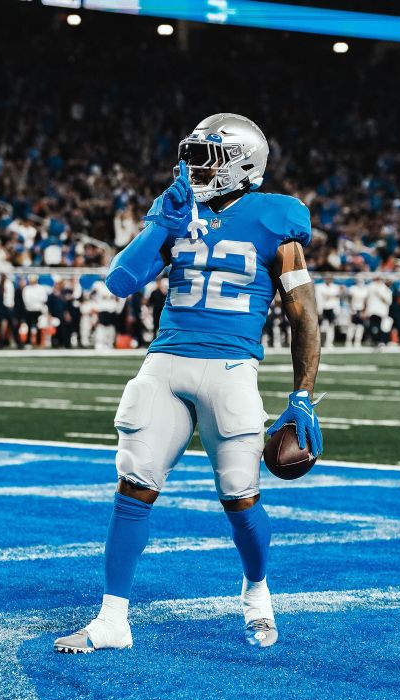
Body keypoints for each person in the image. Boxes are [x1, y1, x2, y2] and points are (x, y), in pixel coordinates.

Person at [55, 114, 322, 653]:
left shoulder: (278, 218)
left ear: (243, 165)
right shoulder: (178, 210)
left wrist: (301, 395)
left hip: (231, 370)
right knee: (133, 485)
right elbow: (120, 281)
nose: (197, 167)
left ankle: (258, 596)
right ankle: (112, 620)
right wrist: (161, 222)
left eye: (210, 158)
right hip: (166, 363)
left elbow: (302, 313)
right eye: (194, 155)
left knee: (240, 498)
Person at [316, 275, 341, 347]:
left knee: (331, 326)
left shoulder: (335, 287)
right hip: (323, 308)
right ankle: (321, 342)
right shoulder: (319, 287)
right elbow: (319, 299)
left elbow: (337, 300)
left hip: (332, 309)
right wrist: (319, 311)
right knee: (323, 326)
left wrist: (337, 311)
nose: (329, 280)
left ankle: (329, 342)